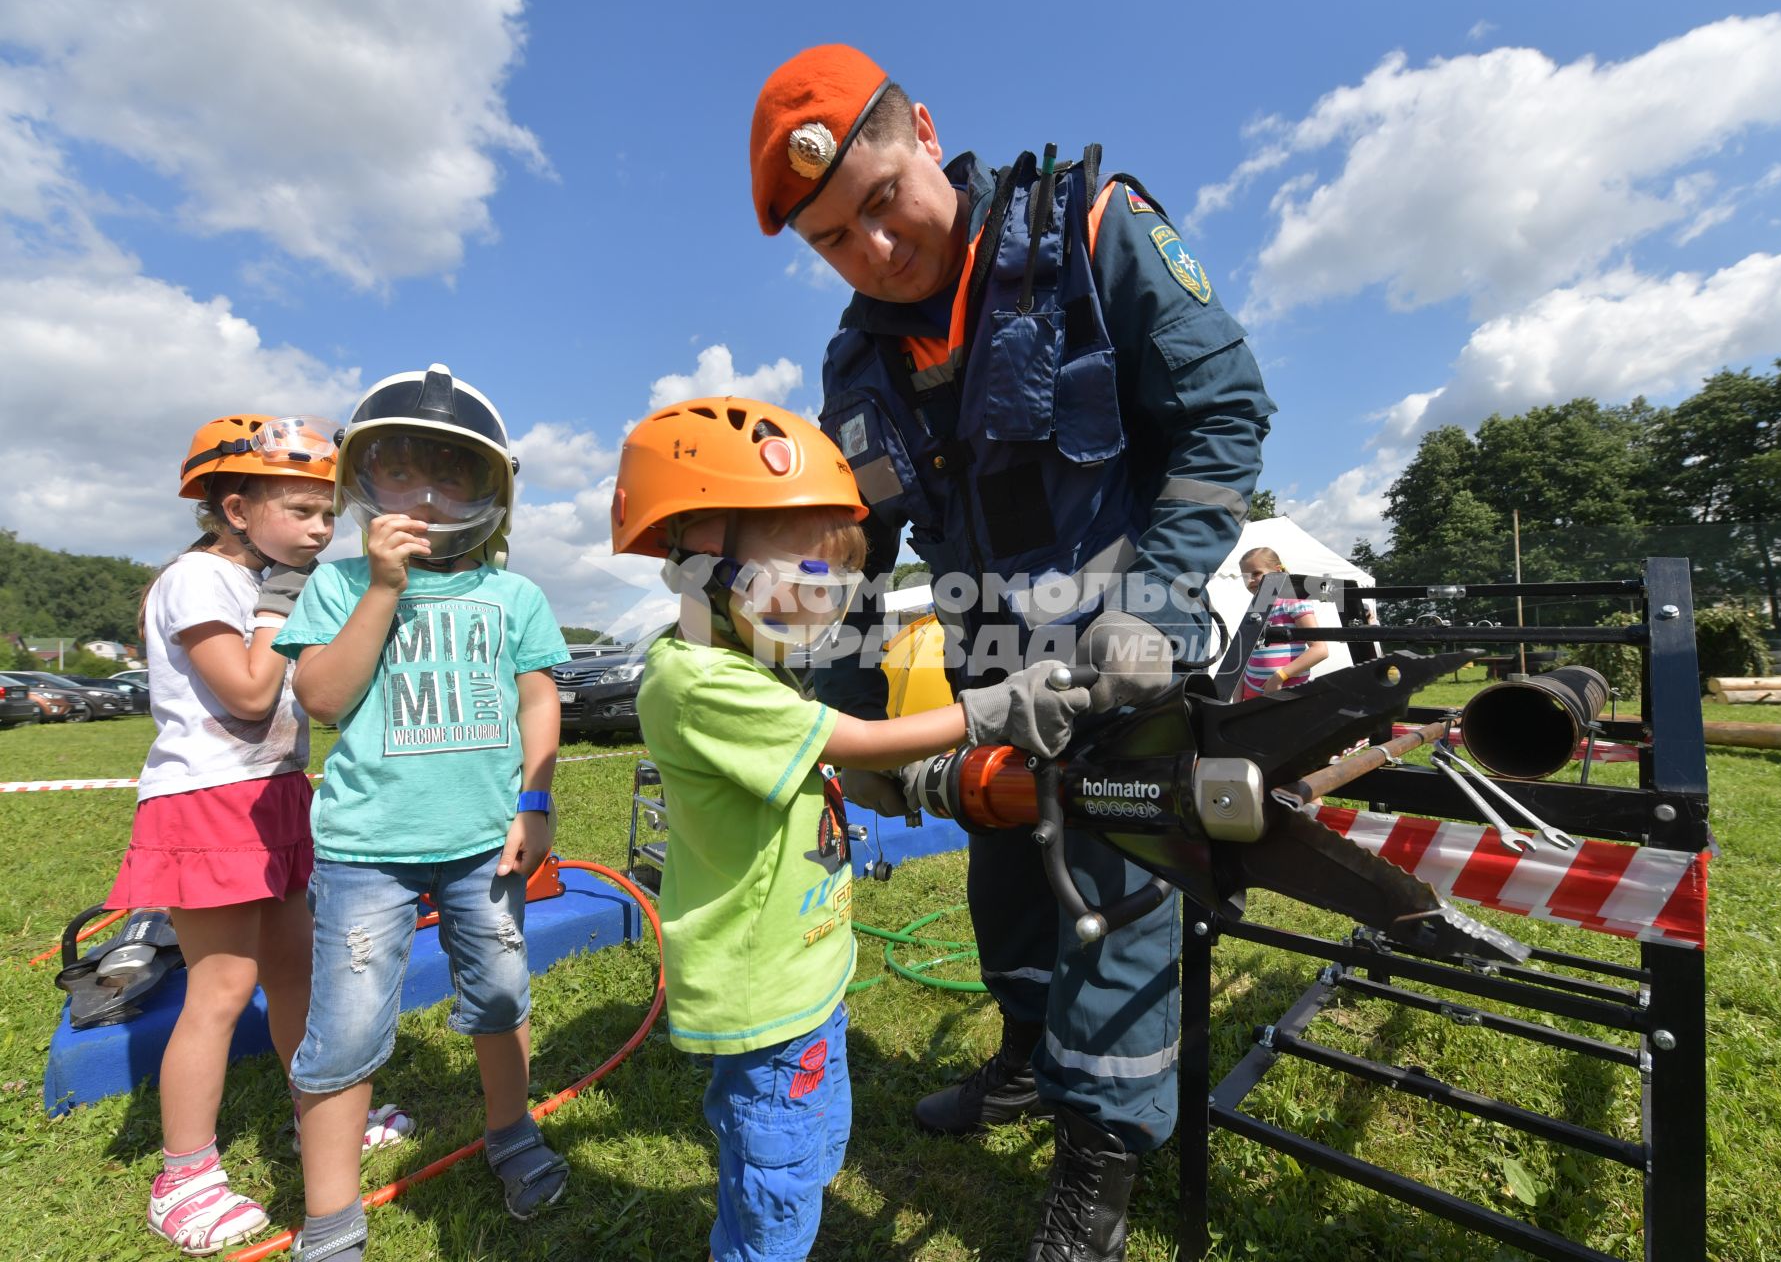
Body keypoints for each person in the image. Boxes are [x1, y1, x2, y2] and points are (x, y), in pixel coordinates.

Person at [750, 45, 1275, 1259]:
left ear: (923, 132)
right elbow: (850, 546)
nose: (874, 250)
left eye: (882, 202)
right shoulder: (860, 363)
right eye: (834, 239)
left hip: (1132, 657)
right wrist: (831, 707)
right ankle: (1033, 1058)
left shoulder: (1091, 230)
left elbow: (1223, 406)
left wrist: (1155, 600)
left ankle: (1099, 1154)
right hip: (995, 674)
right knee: (1008, 876)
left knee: (1116, 889)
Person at [611, 398, 1091, 1262]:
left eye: (825, 598)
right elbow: (859, 740)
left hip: (808, 974)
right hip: (765, 997)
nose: (811, 618)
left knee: (806, 1149)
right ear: (696, 556)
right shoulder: (695, 680)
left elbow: (830, 766)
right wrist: (993, 708)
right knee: (777, 1183)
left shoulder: (743, 666)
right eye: (792, 583)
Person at [273, 365, 570, 1262]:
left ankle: (510, 1133)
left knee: (502, 993)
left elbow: (537, 700)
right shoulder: (336, 584)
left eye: (452, 476)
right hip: (369, 850)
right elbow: (322, 698)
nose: (428, 496)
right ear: (364, 481)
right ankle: (331, 1220)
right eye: (402, 473)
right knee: (350, 1024)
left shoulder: (513, 596)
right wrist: (381, 589)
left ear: (490, 493)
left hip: (487, 844)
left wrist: (536, 800)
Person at [113, 414, 409, 1257]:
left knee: (294, 973)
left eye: (328, 513)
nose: (321, 529)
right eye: (302, 511)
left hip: (273, 793)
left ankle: (312, 1110)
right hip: (207, 800)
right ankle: (185, 1179)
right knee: (220, 989)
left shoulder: (270, 582)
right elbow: (247, 694)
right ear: (236, 509)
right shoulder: (198, 581)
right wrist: (281, 610)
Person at [1235, 547, 1329, 700]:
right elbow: (1246, 654)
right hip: (1250, 691)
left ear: (1277, 571)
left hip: (1284, 692)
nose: (1250, 580)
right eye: (1245, 576)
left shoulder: (1292, 600)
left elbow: (1320, 649)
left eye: (1256, 573)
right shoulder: (1257, 607)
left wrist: (1279, 677)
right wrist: (1237, 697)